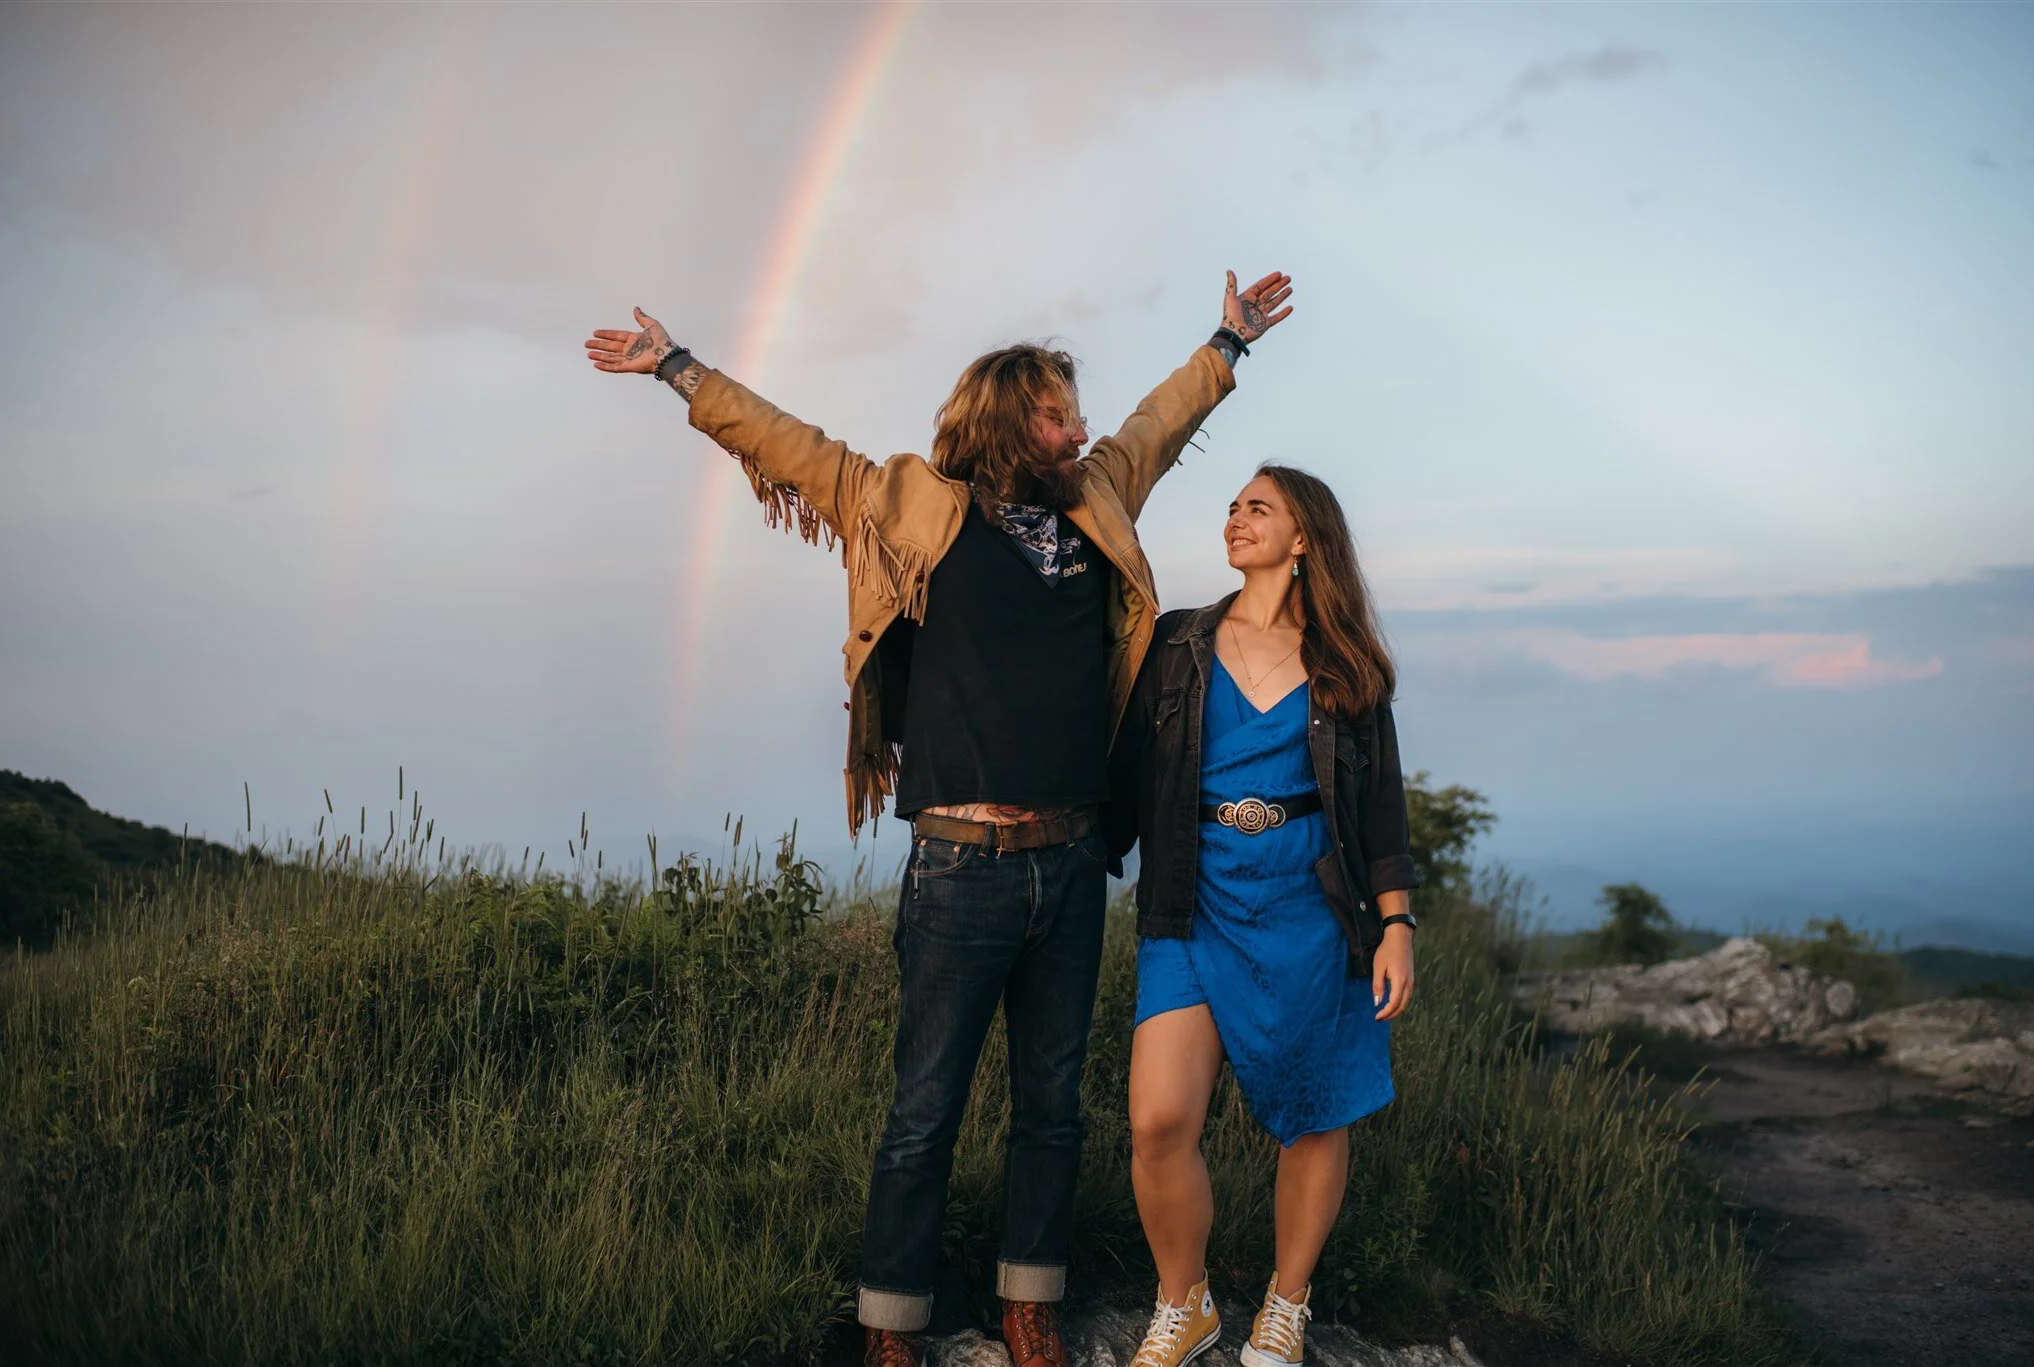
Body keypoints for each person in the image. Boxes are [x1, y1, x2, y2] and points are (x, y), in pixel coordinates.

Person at [583, 272, 1294, 1367]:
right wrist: (679, 368)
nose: (1083, 427)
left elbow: (1158, 421)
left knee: (1050, 1107)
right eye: (1060, 411)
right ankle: (892, 1320)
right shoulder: (913, 503)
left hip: (1067, 862)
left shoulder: (1097, 497)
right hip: (958, 864)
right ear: (1015, 420)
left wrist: (1225, 341)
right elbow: (791, 446)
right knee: (924, 1110)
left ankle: (1028, 1305)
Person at [1105, 464, 1419, 1367]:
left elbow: (1381, 810)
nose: (1236, 518)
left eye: (1259, 508)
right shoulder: (1177, 645)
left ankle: (1287, 1302)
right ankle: (1186, 1301)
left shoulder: (1347, 663)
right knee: (1159, 1119)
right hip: (1190, 899)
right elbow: (1120, 766)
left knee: (1316, 1115)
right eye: (1234, 506)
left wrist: (1396, 924)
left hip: (1309, 908)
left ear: (1304, 537)